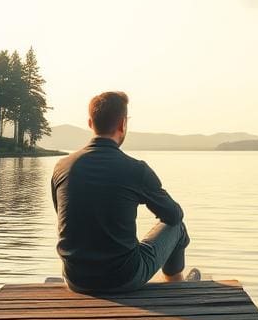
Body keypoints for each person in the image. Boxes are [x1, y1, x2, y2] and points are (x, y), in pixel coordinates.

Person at [51, 91, 198, 293]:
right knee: (177, 227)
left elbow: (63, 216)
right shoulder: (136, 170)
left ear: (90, 123)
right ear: (122, 124)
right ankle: (175, 285)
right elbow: (173, 215)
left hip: (76, 279)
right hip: (123, 278)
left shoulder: (62, 167)